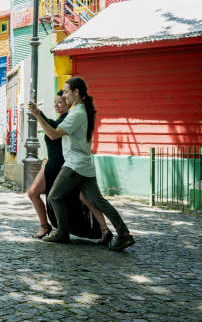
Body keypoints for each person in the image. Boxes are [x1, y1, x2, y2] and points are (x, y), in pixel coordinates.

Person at [29, 77, 135, 251]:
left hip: (74, 165)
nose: (64, 95)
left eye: (66, 92)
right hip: (84, 165)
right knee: (97, 200)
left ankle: (62, 233)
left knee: (54, 196)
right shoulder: (79, 111)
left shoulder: (77, 113)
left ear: (76, 92)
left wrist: (38, 115)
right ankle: (124, 234)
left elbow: (54, 134)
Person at [27, 91, 109, 244]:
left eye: (61, 102)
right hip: (54, 163)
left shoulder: (69, 120)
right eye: (56, 102)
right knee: (36, 193)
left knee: (84, 197)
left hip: (64, 164)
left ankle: (103, 230)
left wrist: (38, 114)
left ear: (68, 104)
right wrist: (39, 114)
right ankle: (46, 226)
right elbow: (51, 125)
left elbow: (53, 130)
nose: (57, 105)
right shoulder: (61, 120)